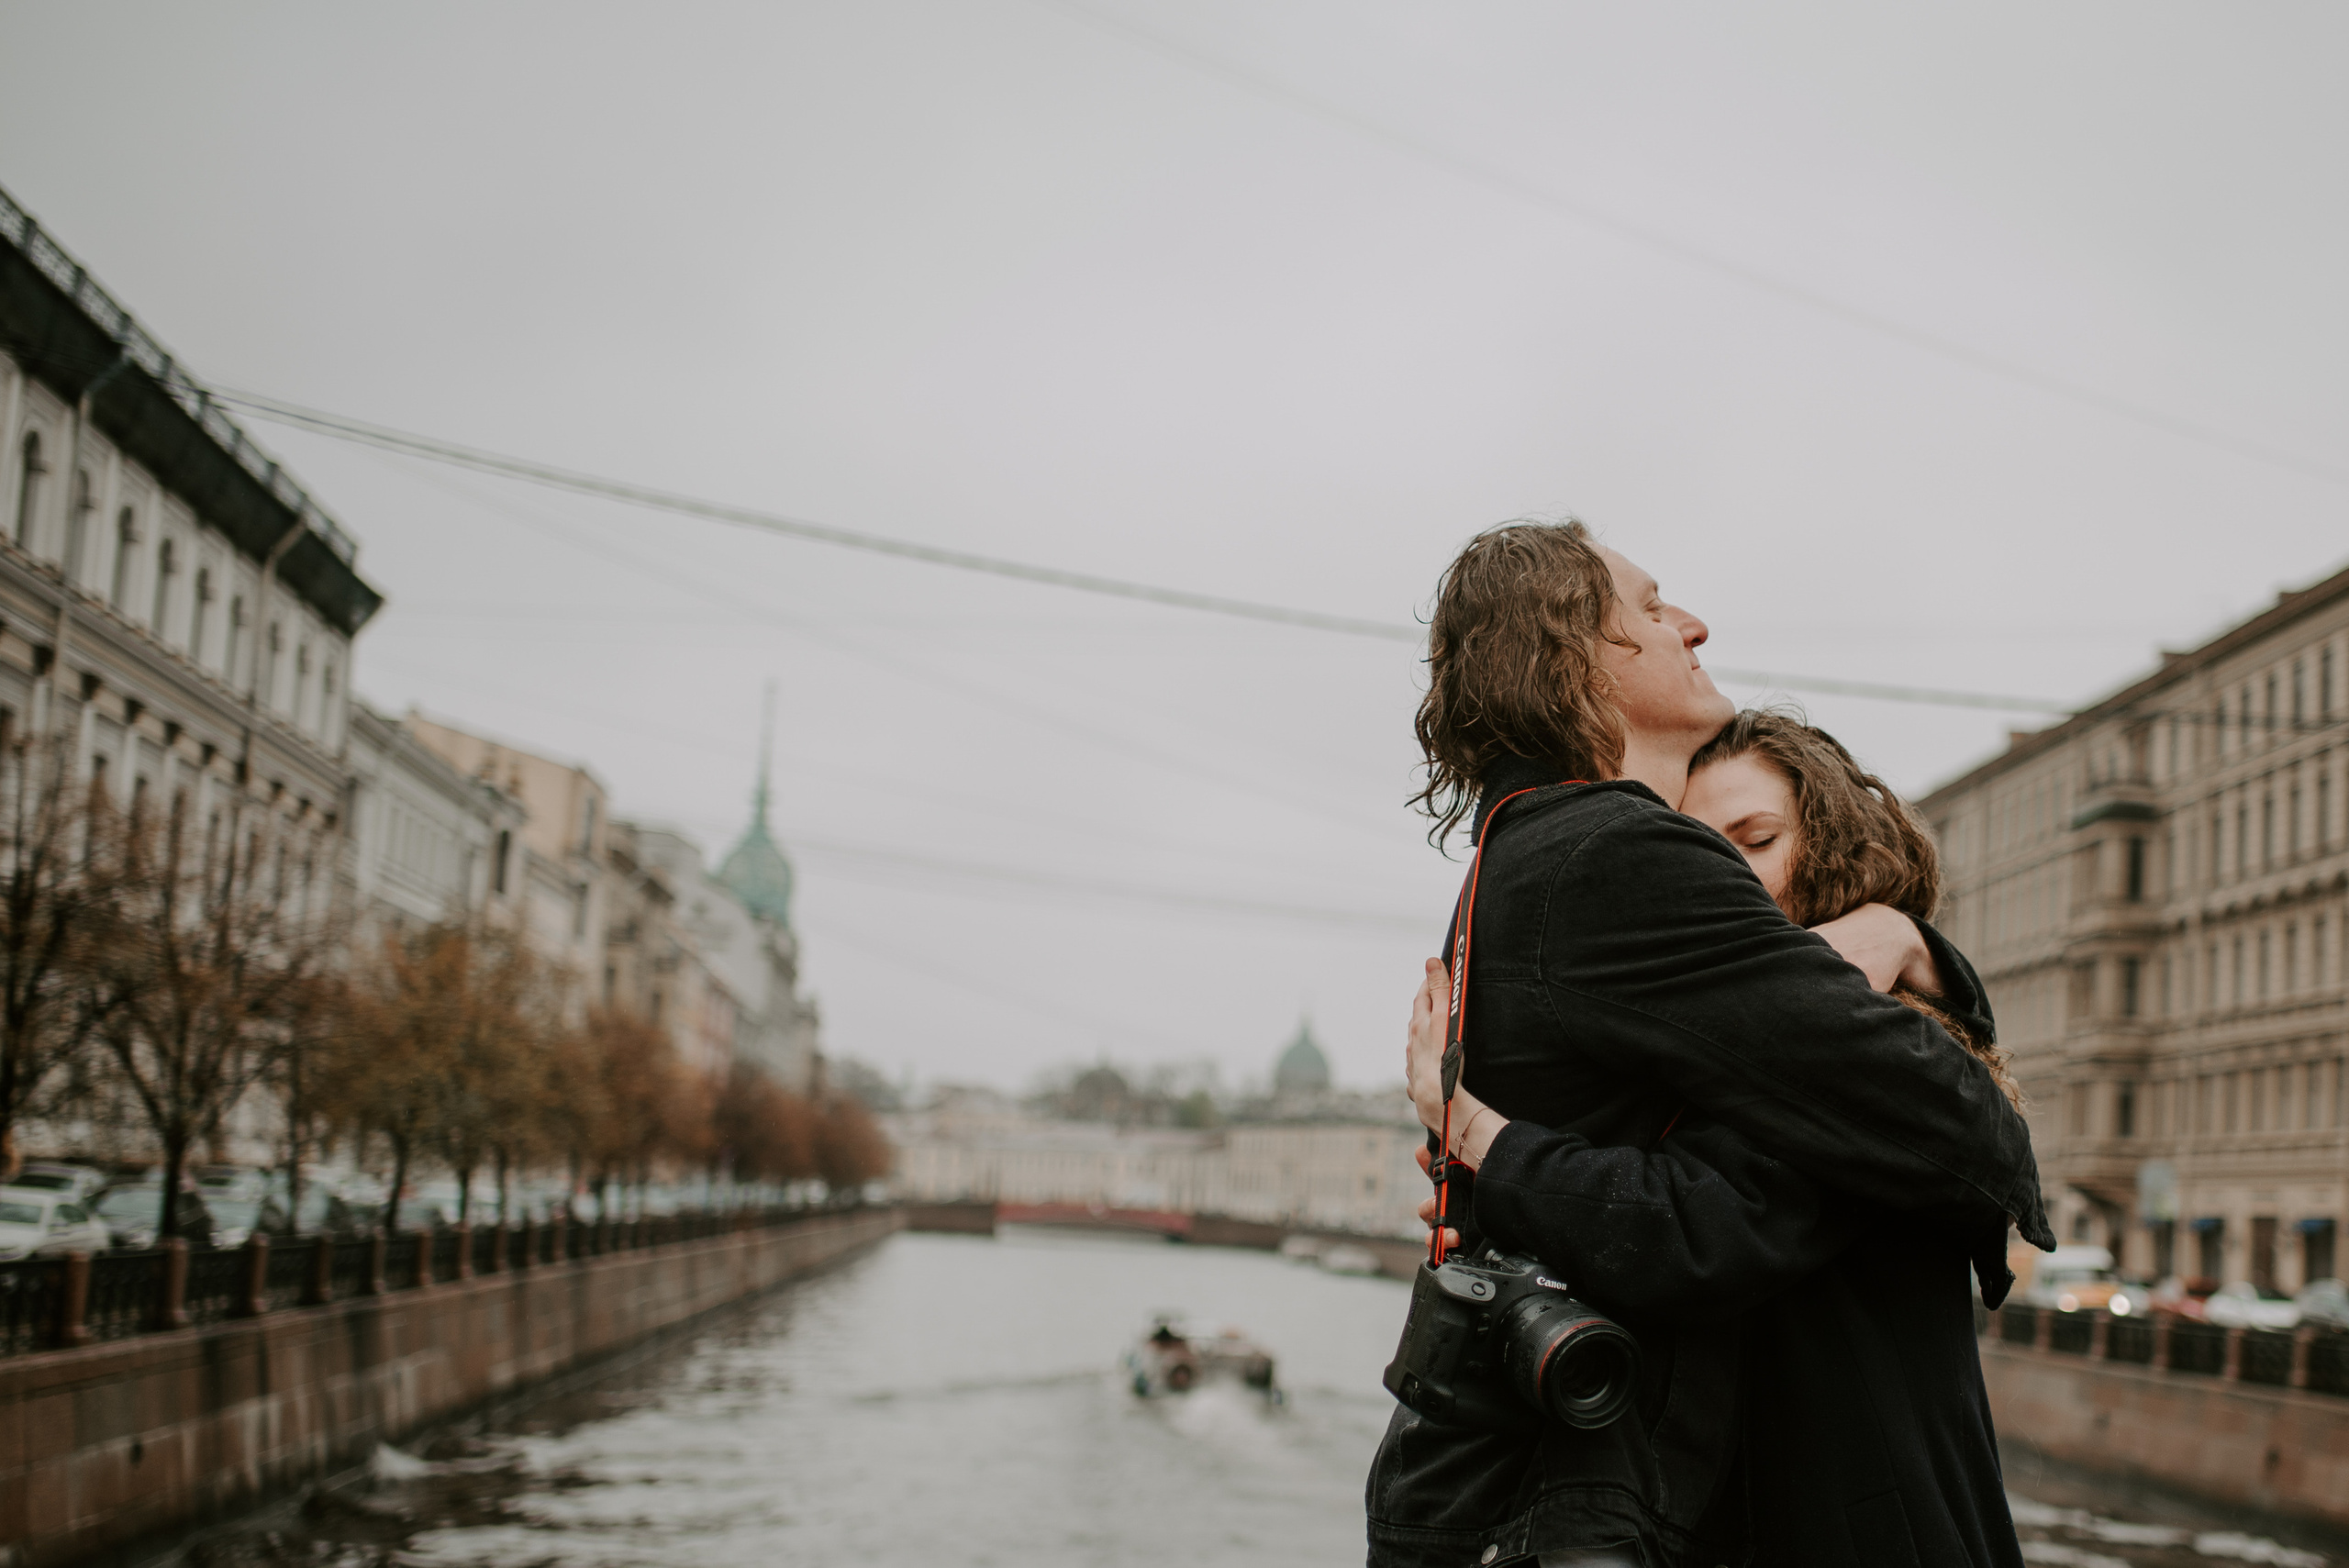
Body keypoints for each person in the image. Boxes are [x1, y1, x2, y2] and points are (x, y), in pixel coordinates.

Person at [1364, 520, 2050, 1568]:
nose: (1691, 623)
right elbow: (1946, 1131)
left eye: (1758, 844)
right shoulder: (1617, 852)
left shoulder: (1512, 854)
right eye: (1648, 607)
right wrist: (1489, 1150)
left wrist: (1488, 1149)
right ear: (1573, 650)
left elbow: (1709, 1201)